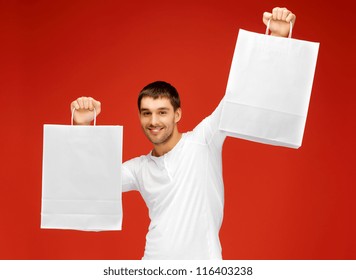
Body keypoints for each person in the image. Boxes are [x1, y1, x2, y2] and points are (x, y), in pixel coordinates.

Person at [71, 7, 296, 259]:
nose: (153, 121)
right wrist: (81, 126)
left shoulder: (203, 140)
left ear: (177, 114)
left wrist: (276, 38)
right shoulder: (138, 169)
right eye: (146, 113)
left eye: (162, 112)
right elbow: (90, 183)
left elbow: (242, 94)